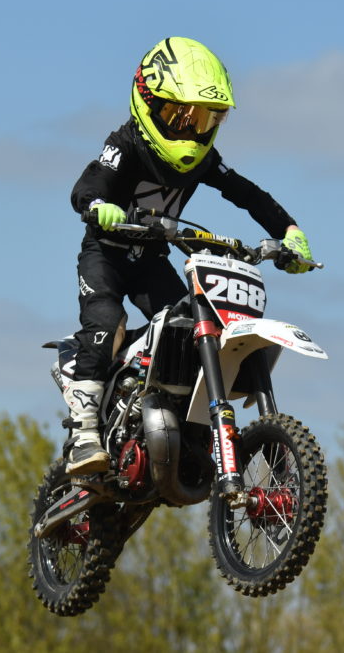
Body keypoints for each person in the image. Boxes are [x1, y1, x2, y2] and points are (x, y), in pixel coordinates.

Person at [63, 36, 314, 474]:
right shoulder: (125, 143)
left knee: (187, 329)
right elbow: (91, 182)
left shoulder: (204, 159)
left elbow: (245, 192)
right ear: (149, 102)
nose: (191, 131)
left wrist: (288, 231)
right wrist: (97, 205)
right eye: (181, 116)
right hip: (106, 254)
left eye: (204, 119)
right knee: (106, 322)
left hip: (151, 260)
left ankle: (174, 421)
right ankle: (83, 433)